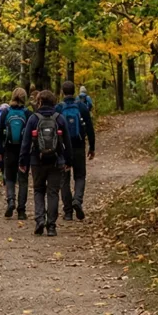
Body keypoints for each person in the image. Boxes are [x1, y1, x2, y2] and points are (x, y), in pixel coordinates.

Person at [19, 89, 68, 237]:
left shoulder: (33, 119)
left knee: (39, 190)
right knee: (53, 192)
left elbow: (26, 142)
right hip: (56, 161)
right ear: (53, 102)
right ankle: (51, 226)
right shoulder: (60, 118)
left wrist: (23, 161)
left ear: (39, 102)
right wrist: (68, 160)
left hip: (37, 161)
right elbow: (68, 143)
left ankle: (40, 219)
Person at [56, 80, 96, 222]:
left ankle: (67, 212)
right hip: (79, 146)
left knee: (64, 180)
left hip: (63, 149)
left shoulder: (59, 108)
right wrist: (92, 147)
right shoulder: (82, 107)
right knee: (79, 176)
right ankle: (77, 200)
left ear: (62, 92)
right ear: (74, 92)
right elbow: (90, 128)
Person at [0, 88, 31, 219]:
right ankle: (21, 210)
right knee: (23, 180)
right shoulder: (27, 113)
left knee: (9, 178)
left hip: (8, 150)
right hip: (24, 151)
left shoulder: (6, 112)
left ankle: (11, 201)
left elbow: (0, 132)